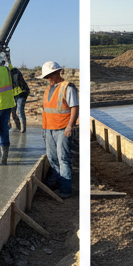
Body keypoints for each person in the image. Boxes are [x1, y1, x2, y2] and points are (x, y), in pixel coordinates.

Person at [40, 61, 78, 198]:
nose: (48, 79)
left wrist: (70, 126)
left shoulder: (67, 87)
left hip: (62, 128)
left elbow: (74, 107)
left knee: (63, 159)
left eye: (50, 75)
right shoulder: (48, 89)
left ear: (58, 72)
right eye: (46, 77)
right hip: (48, 128)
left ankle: (65, 190)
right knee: (52, 158)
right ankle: (56, 183)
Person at [9, 64, 31, 133]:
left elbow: (16, 83)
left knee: (19, 110)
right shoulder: (4, 74)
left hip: (22, 93)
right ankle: (18, 127)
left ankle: (23, 130)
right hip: (13, 94)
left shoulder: (14, 72)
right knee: (13, 112)